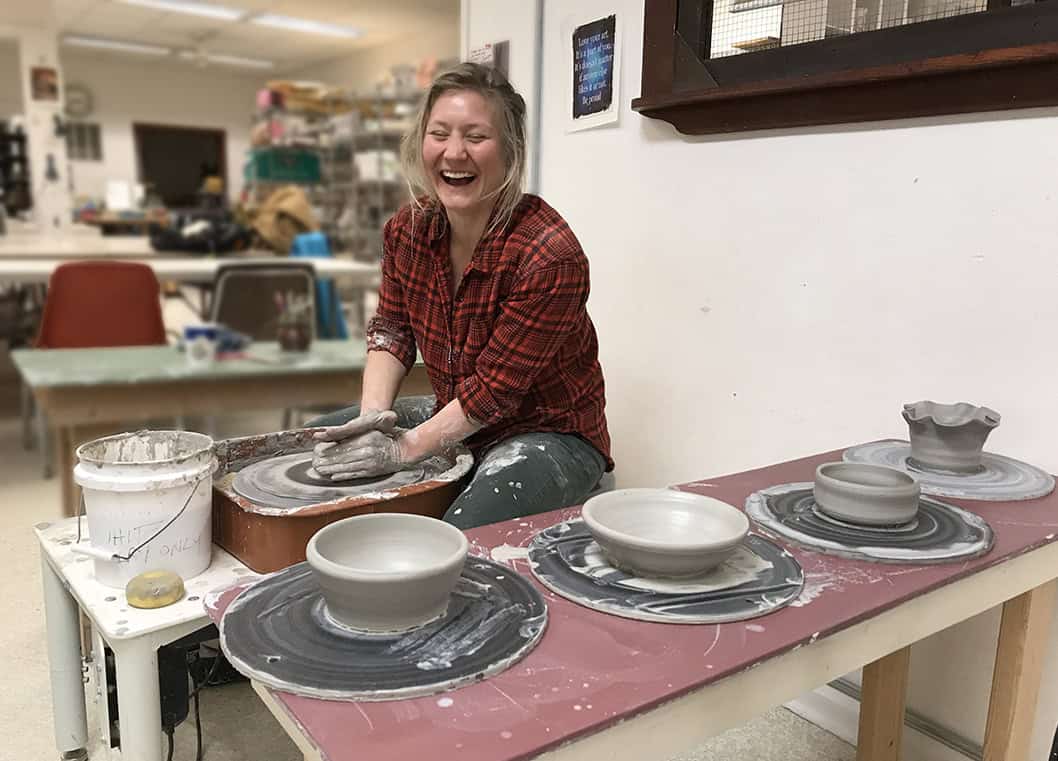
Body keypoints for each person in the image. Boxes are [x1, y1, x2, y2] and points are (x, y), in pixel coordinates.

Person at [309, 62, 611, 529]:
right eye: (440, 133)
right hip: (457, 412)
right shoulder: (408, 230)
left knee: (453, 539)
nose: (454, 153)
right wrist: (373, 421)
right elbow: (392, 330)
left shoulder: (549, 255)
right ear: (420, 142)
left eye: (475, 137)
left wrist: (401, 449)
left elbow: (495, 392)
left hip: (547, 431)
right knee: (316, 443)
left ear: (510, 152)